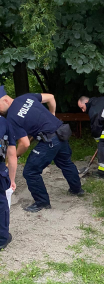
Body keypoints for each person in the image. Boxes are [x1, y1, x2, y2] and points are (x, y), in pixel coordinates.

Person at [0, 92, 84, 213]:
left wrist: (17, 155)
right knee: (65, 162)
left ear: (5, 101)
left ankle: (42, 202)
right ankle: (77, 190)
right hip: (61, 131)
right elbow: (51, 97)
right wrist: (52, 114)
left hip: (49, 141)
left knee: (30, 171)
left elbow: (25, 143)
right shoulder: (26, 97)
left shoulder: (12, 117)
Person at [0, 86, 17, 249]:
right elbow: (11, 154)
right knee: (1, 202)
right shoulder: (5, 122)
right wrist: (12, 180)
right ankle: (2, 238)